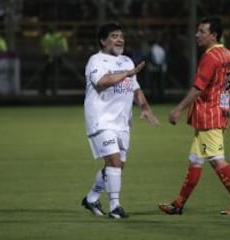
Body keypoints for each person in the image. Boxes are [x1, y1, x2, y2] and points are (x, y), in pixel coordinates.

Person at [158, 17, 230, 216]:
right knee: (195, 159)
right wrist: (226, 109)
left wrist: (178, 109)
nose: (196, 35)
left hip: (209, 116)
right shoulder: (227, 54)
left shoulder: (210, 57)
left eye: (201, 31)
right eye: (197, 31)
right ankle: (178, 204)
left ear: (214, 35)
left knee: (217, 160)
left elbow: (198, 88)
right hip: (218, 113)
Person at [81, 22, 160, 219]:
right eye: (114, 36)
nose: (120, 39)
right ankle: (115, 207)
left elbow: (135, 87)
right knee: (114, 162)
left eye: (121, 36)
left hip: (122, 122)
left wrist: (144, 107)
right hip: (100, 119)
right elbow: (101, 82)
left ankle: (91, 198)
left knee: (117, 166)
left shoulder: (127, 61)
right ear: (102, 40)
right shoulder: (96, 61)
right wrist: (127, 73)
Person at [39, 25, 69, 96]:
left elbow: (44, 48)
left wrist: (50, 55)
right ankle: (51, 91)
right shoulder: (60, 37)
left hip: (51, 59)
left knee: (47, 75)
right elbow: (65, 49)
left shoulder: (46, 37)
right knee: (51, 75)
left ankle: (45, 91)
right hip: (57, 58)